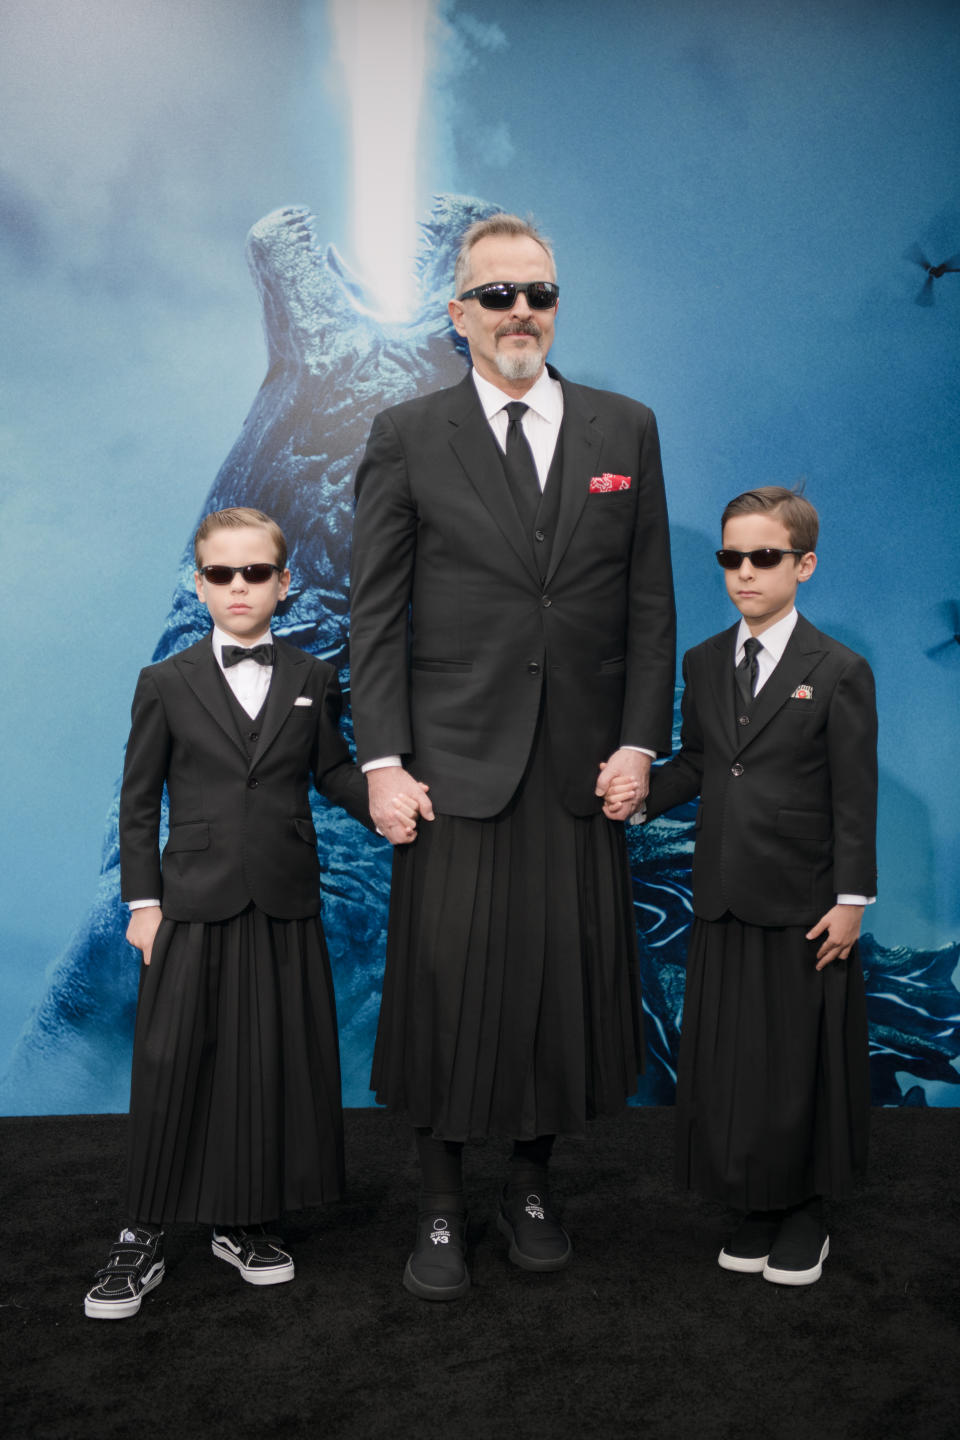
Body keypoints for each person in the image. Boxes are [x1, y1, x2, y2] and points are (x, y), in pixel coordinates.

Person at [349, 213, 676, 1299]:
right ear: (459, 316)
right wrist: (383, 760)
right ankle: (441, 1202)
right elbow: (374, 616)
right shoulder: (406, 434)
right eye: (497, 296)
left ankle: (531, 1184)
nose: (520, 312)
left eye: (537, 292)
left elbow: (649, 604)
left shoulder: (625, 430)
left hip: (580, 770)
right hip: (449, 768)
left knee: (556, 990)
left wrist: (638, 737)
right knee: (447, 990)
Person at [84, 506, 371, 1319]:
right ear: (199, 583)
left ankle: (241, 1220)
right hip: (190, 901)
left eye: (256, 573)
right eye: (221, 574)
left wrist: (392, 799)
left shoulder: (316, 678)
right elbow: (137, 802)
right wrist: (143, 902)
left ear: (284, 584)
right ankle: (141, 1234)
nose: (239, 587)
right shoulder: (164, 683)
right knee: (174, 1061)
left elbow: (334, 772)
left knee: (265, 1059)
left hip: (284, 898)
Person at [645, 485, 877, 1286]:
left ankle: (805, 1210)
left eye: (764, 557)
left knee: (797, 1059)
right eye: (730, 558)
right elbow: (701, 764)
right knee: (737, 1058)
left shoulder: (840, 670)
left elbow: (855, 795)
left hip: (806, 901)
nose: (744, 573)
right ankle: (755, 1197)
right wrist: (637, 791)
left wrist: (852, 901)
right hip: (723, 892)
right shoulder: (705, 661)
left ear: (803, 565)